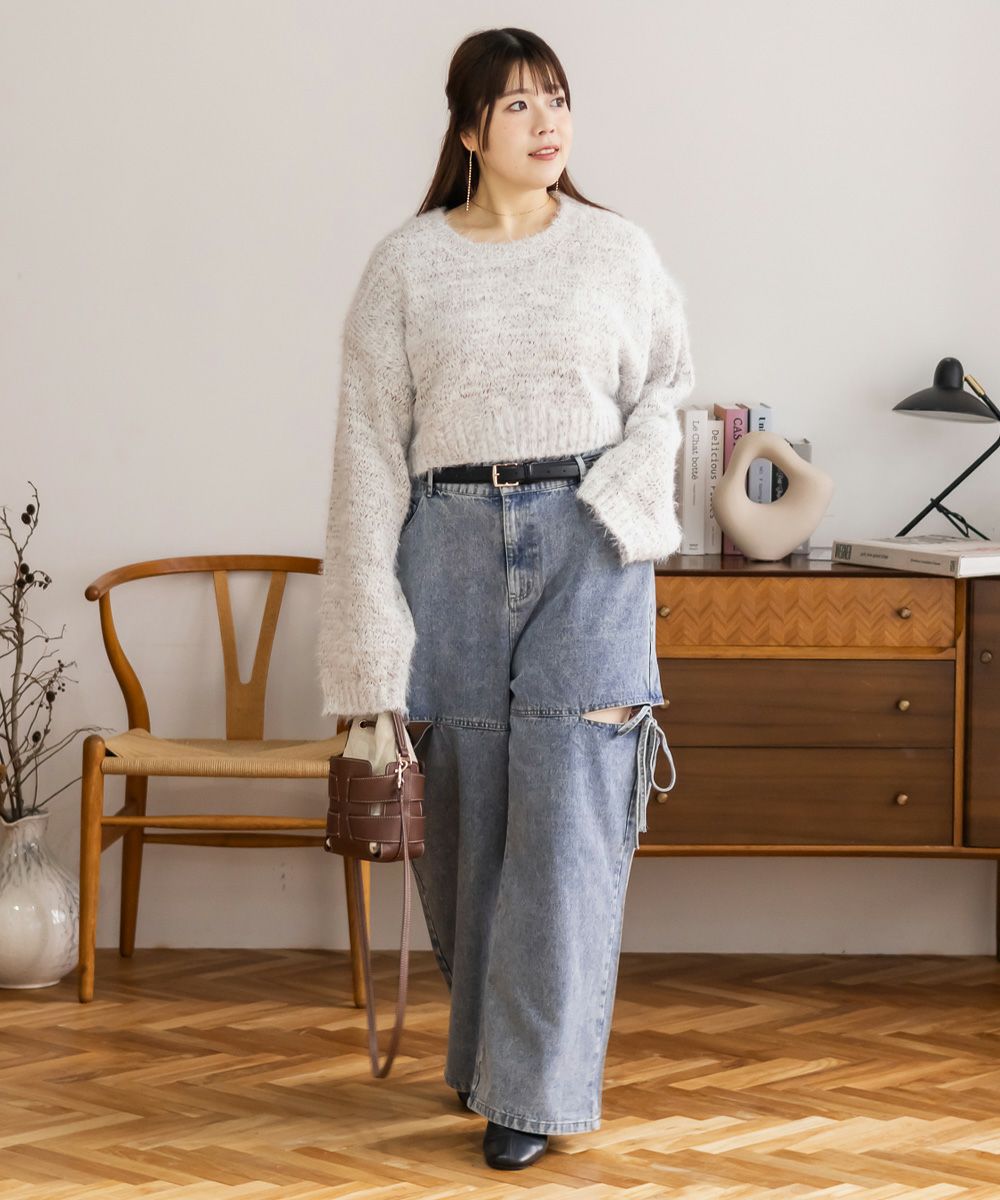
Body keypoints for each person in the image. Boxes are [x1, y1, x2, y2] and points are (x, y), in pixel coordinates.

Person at [317, 26, 690, 1171]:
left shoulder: (618, 251)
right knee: (467, 821)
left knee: (568, 813)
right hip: (447, 545)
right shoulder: (406, 265)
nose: (546, 122)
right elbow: (367, 451)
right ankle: (491, 1057)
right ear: (469, 127)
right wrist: (367, 635)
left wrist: (621, 504)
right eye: (519, 104)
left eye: (557, 99)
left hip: (589, 541)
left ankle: (531, 1091)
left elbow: (668, 390)